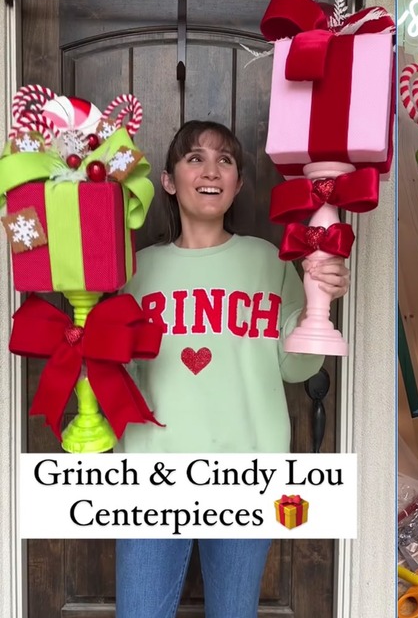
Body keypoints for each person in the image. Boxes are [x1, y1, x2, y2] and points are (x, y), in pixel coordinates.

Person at [113, 120, 350, 618]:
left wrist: (318, 303)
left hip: (250, 472)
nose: (211, 170)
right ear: (168, 179)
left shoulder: (267, 260)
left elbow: (296, 367)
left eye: (225, 161)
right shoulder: (134, 270)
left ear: (239, 183)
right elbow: (118, 376)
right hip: (150, 474)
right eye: (195, 158)